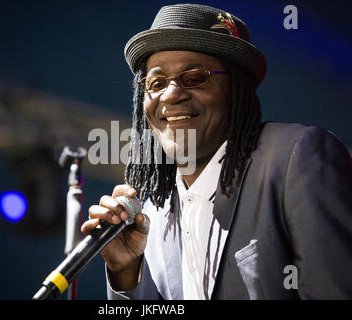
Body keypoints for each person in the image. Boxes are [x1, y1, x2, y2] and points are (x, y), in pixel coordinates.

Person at [81, 4, 352, 299]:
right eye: (156, 83)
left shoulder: (295, 157)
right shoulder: (153, 216)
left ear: (236, 89)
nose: (171, 94)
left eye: (194, 78)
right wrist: (125, 273)